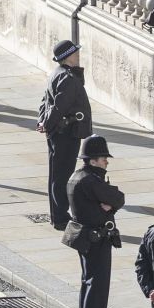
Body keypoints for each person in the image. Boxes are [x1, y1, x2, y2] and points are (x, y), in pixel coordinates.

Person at [67, 133, 126, 308]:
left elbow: (112, 199)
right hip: (96, 239)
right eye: (103, 159)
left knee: (88, 283)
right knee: (97, 287)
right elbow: (119, 198)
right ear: (92, 160)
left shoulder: (76, 177)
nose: (106, 162)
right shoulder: (90, 181)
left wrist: (109, 202)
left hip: (85, 238)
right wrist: (110, 203)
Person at [36, 38, 90, 231]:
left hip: (57, 132)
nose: (78, 55)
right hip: (66, 133)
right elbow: (59, 107)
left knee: (56, 174)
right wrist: (47, 124)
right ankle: (60, 217)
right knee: (62, 176)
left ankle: (57, 214)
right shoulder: (67, 79)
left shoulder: (57, 74)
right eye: (75, 53)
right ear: (68, 57)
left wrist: (42, 122)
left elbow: (45, 102)